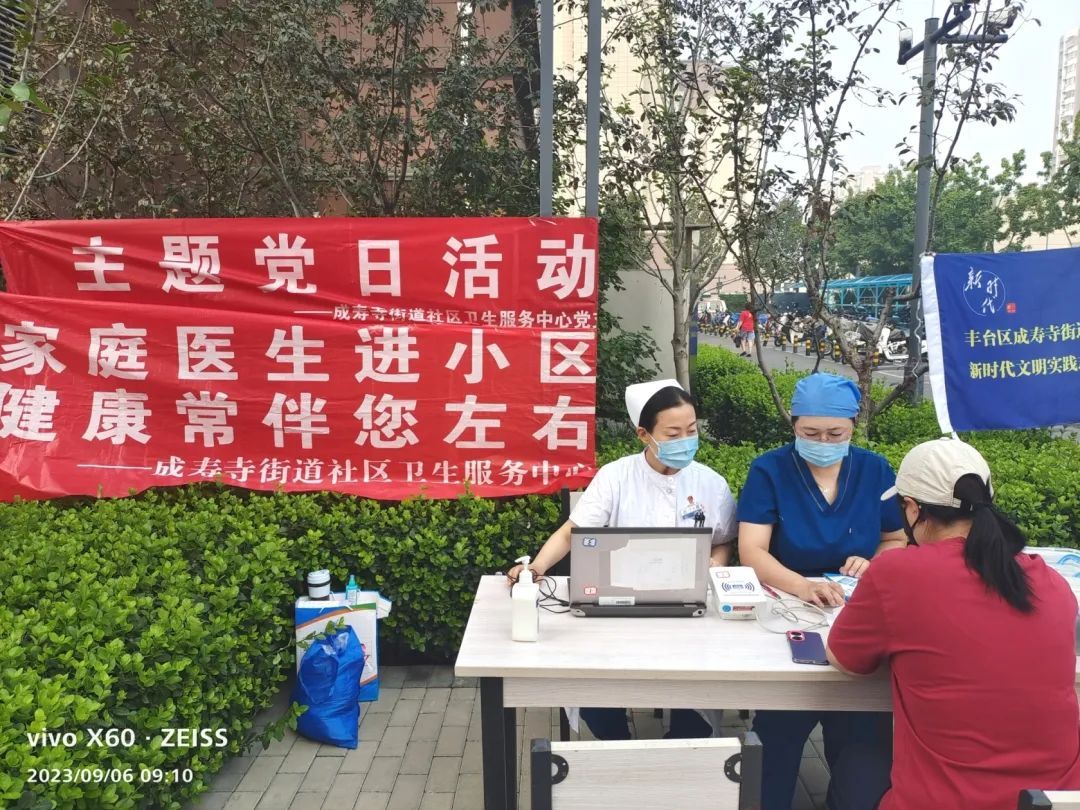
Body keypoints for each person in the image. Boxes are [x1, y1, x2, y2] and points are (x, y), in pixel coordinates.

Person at [825, 437, 1080, 810]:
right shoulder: (1051, 582)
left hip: (942, 801)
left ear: (912, 509)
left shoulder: (898, 573)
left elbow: (844, 660)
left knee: (855, 761)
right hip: (1053, 800)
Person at [507, 378, 738, 740]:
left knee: (698, 687)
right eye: (673, 434)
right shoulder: (616, 477)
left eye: (692, 430)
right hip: (617, 604)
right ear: (644, 434)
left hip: (687, 607)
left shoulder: (711, 483)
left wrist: (717, 564)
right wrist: (536, 567)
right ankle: (617, 744)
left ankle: (677, 749)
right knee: (593, 684)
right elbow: (571, 532)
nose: (686, 441)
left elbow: (723, 541)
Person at [736, 373, 907, 810]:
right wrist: (803, 585)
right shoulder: (770, 470)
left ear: (853, 427)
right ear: (793, 425)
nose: (823, 442)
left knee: (859, 735)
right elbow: (752, 550)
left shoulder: (874, 470)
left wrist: (873, 563)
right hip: (787, 609)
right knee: (780, 731)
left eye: (835, 433)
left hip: (855, 610)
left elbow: (895, 539)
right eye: (810, 433)